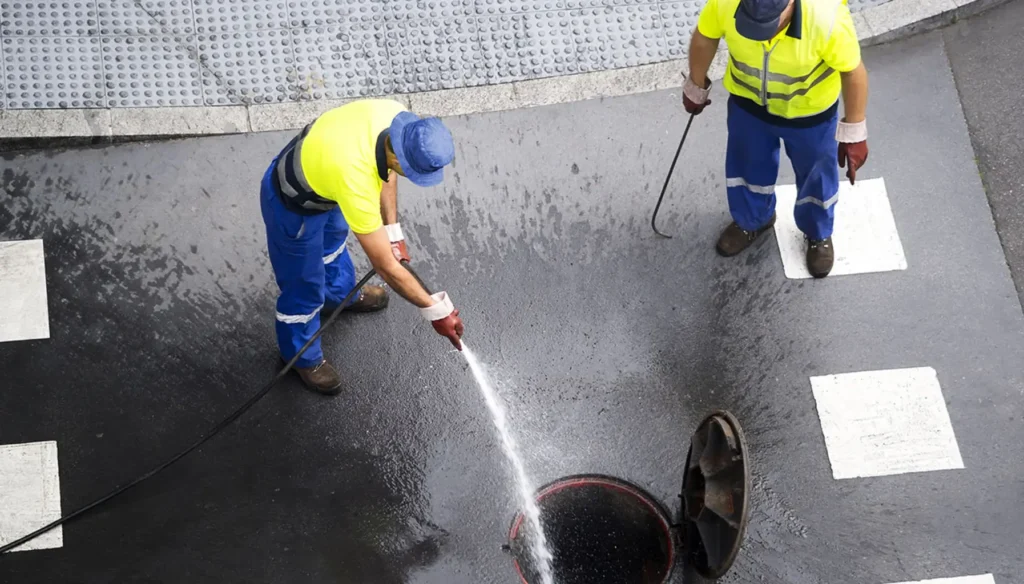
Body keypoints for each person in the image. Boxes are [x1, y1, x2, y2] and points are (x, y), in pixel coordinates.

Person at [259, 99, 465, 395]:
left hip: (326, 186)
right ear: (399, 157)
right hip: (292, 204)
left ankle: (340, 295)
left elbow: (386, 173)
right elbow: (386, 267)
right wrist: (437, 312)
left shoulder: (397, 120)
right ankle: (300, 357)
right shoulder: (354, 177)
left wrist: (393, 233)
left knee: (333, 245)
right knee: (303, 286)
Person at [683, 0, 870, 278]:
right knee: (747, 168)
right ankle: (753, 219)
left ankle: (818, 233)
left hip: (810, 116)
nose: (762, 35)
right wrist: (696, 86)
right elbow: (705, 37)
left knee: (816, 178)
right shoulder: (725, 3)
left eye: (769, 25)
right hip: (749, 108)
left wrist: (854, 132)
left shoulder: (826, 16)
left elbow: (853, 71)